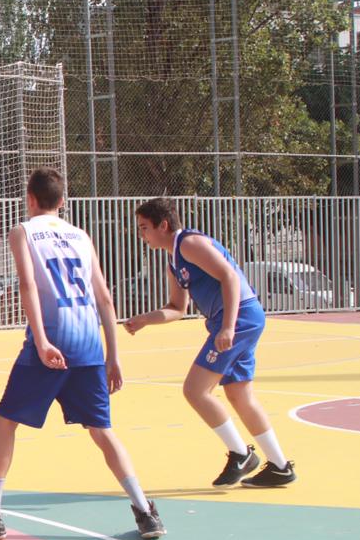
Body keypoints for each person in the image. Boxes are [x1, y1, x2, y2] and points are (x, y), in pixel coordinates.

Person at [0, 169, 165, 540]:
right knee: (101, 430)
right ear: (62, 201)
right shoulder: (81, 235)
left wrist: (42, 342)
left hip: (53, 343)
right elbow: (104, 297)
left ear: (30, 199)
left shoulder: (23, 232)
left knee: (3, 421)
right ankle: (144, 510)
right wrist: (113, 355)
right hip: (89, 343)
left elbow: (28, 286)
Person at [124, 198, 295, 488]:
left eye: (144, 228)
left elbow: (229, 276)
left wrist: (228, 326)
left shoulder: (189, 244)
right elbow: (178, 308)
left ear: (163, 225)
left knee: (195, 390)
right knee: (240, 395)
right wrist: (144, 319)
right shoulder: (173, 260)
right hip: (238, 319)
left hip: (238, 317)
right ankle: (279, 466)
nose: (141, 235)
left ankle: (241, 454)